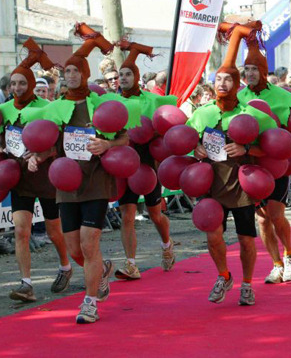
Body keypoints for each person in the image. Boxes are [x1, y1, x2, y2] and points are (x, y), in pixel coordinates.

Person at [23, 23, 136, 324]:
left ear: (85, 75)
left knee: (89, 242)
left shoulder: (101, 104)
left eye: (77, 71)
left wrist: (107, 143)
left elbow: (124, 139)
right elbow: (50, 145)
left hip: (96, 181)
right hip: (65, 182)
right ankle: (100, 273)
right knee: (74, 248)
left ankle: (89, 303)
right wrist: (37, 157)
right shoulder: (55, 108)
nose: (71, 76)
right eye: (68, 72)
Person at [187, 22, 277, 305]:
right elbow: (184, 141)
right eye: (217, 80)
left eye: (227, 80)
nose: (222, 84)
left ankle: (247, 283)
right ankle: (224, 275)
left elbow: (272, 149)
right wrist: (196, 148)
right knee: (213, 238)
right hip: (210, 186)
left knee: (246, 240)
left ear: (237, 85)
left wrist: (246, 147)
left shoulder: (252, 113)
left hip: (241, 188)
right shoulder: (201, 114)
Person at [0, 38, 72, 303]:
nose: (17, 87)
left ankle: (65, 266)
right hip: (18, 176)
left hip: (45, 176)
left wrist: (41, 155)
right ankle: (26, 283)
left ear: (31, 84)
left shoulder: (47, 108)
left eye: (22, 83)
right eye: (13, 83)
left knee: (54, 231)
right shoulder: (4, 109)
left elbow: (59, 141)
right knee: (21, 230)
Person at [238, 21, 291, 284]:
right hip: (252, 164)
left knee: (276, 215)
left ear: (264, 71)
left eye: (255, 69)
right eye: (247, 69)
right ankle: (276, 264)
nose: (250, 73)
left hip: (278, 162)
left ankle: (290, 254)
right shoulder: (239, 96)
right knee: (262, 220)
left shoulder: (284, 96)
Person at [115, 39, 177, 280]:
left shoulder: (153, 100)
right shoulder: (113, 102)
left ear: (136, 77)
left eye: (128, 74)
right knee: (127, 215)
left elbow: (167, 127)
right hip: (123, 163)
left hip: (148, 164)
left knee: (155, 215)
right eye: (120, 75)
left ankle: (166, 245)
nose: (123, 78)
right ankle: (131, 264)